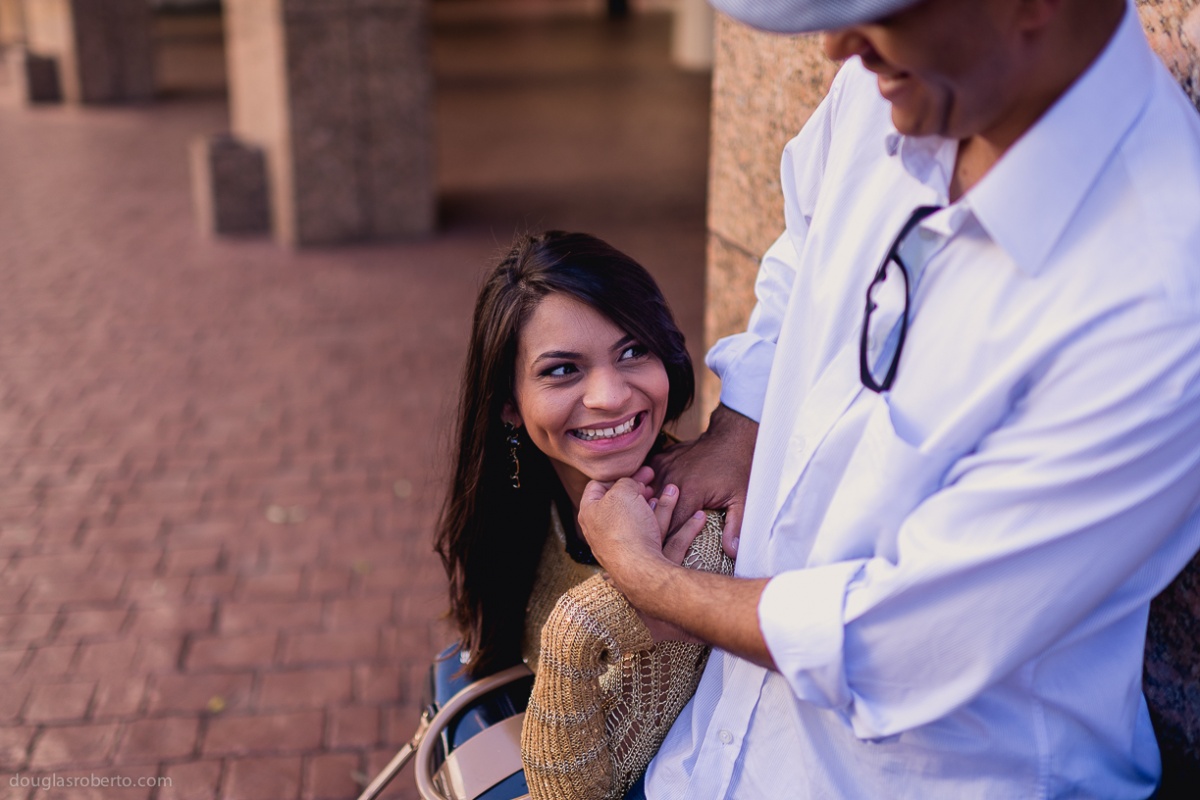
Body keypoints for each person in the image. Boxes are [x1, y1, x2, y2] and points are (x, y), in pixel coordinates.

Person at [577, 0, 1200, 798]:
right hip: (707, 760)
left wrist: (645, 575)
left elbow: (895, 644)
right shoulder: (890, 86)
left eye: (884, 11)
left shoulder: (1156, 303)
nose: (838, 43)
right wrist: (745, 421)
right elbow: (802, 238)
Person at [434, 230, 731, 800]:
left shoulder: (695, 536)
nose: (610, 396)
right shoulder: (531, 493)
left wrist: (579, 629)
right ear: (508, 407)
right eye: (563, 370)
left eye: (632, 351)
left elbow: (581, 795)